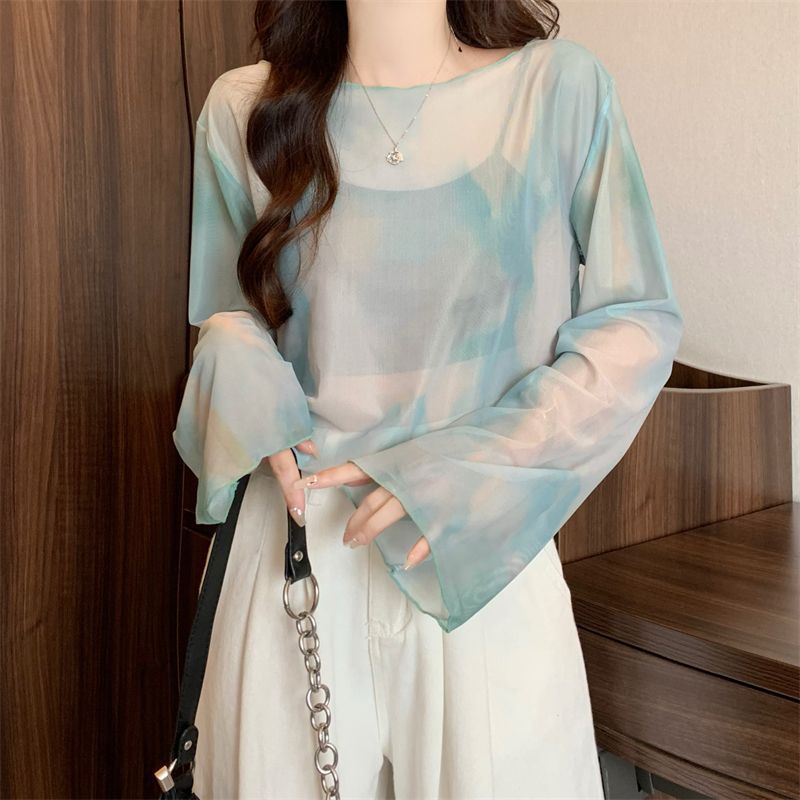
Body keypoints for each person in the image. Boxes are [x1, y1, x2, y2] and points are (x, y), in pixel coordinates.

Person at [172, 1, 684, 797]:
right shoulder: (244, 108)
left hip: (482, 561)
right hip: (296, 552)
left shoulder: (557, 92)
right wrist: (246, 377)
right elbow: (224, 316)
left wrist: (469, 465)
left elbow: (635, 322)